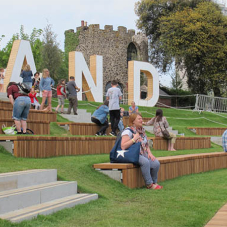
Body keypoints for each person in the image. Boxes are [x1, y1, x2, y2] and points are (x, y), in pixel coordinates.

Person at [121, 113, 163, 189]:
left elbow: (146, 144)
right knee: (145, 162)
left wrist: (149, 153)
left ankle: (154, 182)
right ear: (133, 121)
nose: (141, 120)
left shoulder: (142, 131)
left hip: (142, 153)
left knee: (156, 163)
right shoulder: (128, 131)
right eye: (139, 119)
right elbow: (123, 146)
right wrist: (134, 139)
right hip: (132, 154)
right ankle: (149, 185)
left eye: (141, 118)